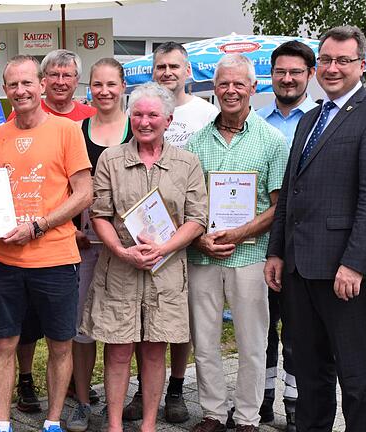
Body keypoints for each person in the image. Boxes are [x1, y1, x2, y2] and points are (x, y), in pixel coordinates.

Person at [265, 26, 366, 432]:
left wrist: (355, 264)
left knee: (355, 376)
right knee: (309, 374)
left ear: (361, 64)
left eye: (343, 60)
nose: (332, 68)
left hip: (346, 273)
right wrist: (277, 251)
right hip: (299, 269)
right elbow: (290, 191)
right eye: (325, 59)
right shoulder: (311, 119)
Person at [80, 81, 207, 432]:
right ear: (129, 118)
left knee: (154, 350)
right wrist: (122, 250)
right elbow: (99, 214)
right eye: (137, 114)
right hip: (120, 267)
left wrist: (164, 248)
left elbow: (197, 218)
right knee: (119, 349)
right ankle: (116, 424)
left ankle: (149, 424)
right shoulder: (111, 159)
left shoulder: (187, 163)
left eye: (153, 114)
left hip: (166, 270)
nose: (144, 121)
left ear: (168, 119)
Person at [0, 55, 93, 432]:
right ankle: (1, 424)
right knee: (2, 344)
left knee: (61, 343)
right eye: (13, 85)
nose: (21, 91)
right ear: (5, 91)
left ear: (42, 85)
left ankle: (52, 422)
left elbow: (83, 194)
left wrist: (39, 226)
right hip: (5, 259)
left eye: (27, 83)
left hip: (56, 258)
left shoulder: (67, 131)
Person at [185, 54, 288, 432]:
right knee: (205, 340)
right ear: (215, 89)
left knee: (252, 343)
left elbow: (280, 206)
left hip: (250, 256)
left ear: (253, 88)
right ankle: (213, 412)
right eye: (223, 84)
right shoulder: (196, 143)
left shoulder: (272, 141)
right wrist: (200, 242)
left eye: (238, 84)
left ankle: (247, 416)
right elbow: (185, 205)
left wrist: (241, 232)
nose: (230, 91)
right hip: (204, 256)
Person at [123, 40, 220, 424]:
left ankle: (176, 388)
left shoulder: (204, 113)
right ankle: (143, 392)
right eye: (160, 66)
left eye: (174, 67)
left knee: (179, 321)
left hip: (188, 232)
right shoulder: (142, 106)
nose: (167, 73)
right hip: (145, 235)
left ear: (188, 72)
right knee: (141, 319)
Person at [12, 48, 97, 414]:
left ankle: (79, 389)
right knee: (26, 322)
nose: (61, 82)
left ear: (76, 80)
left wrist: (81, 228)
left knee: (71, 323)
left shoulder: (88, 120)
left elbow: (84, 185)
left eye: (68, 75)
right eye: (55, 75)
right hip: (23, 240)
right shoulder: (26, 117)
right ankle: (27, 380)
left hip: (73, 240)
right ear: (43, 82)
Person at [66, 57, 133, 432]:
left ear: (123, 86)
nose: (104, 91)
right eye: (97, 84)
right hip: (85, 243)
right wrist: (71, 228)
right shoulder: (77, 130)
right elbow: (65, 184)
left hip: (128, 244)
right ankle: (81, 399)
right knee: (81, 323)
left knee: (123, 324)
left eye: (111, 84)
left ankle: (116, 401)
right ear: (87, 88)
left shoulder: (135, 127)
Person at [254, 40, 317, 431]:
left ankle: (296, 408)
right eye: (280, 72)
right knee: (263, 330)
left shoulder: (321, 119)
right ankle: (260, 403)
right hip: (264, 242)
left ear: (309, 75)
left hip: (305, 245)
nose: (288, 78)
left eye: (296, 72)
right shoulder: (257, 121)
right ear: (271, 75)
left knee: (297, 333)